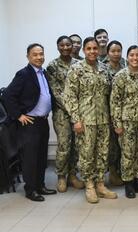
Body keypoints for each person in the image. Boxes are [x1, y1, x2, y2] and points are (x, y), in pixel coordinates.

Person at [64, 37, 117, 203]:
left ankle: (100, 184)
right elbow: (69, 96)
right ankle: (89, 185)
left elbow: (110, 94)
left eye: (95, 48)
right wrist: (76, 119)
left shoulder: (103, 68)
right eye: (89, 49)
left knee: (102, 153)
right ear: (84, 50)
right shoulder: (76, 69)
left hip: (103, 119)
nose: (93, 51)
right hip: (85, 119)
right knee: (86, 154)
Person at [2, 43, 57, 201]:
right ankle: (30, 189)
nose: (39, 57)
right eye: (35, 54)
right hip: (29, 123)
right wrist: (19, 115)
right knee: (30, 158)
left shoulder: (43, 73)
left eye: (41, 54)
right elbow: (7, 96)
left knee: (41, 156)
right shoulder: (24, 74)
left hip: (42, 121)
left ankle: (40, 185)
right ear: (28, 56)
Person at [110, 45, 138, 198]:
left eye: (137, 55)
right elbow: (115, 101)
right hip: (126, 121)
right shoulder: (121, 76)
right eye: (132, 55)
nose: (135, 58)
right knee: (128, 153)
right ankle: (128, 183)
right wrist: (117, 124)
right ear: (127, 58)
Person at [46, 36, 84, 192]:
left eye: (68, 44)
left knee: (76, 145)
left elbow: (81, 89)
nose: (66, 47)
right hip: (61, 113)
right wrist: (71, 108)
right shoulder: (52, 66)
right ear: (58, 47)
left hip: (78, 113)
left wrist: (77, 111)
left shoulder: (78, 64)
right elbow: (56, 92)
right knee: (64, 145)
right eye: (62, 45)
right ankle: (61, 176)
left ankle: (73, 175)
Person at [104, 40, 126, 187]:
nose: (116, 54)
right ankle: (112, 173)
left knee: (122, 145)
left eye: (118, 51)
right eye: (113, 51)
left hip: (125, 112)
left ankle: (122, 171)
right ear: (108, 53)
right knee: (112, 145)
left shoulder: (125, 66)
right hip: (107, 111)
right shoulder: (103, 69)